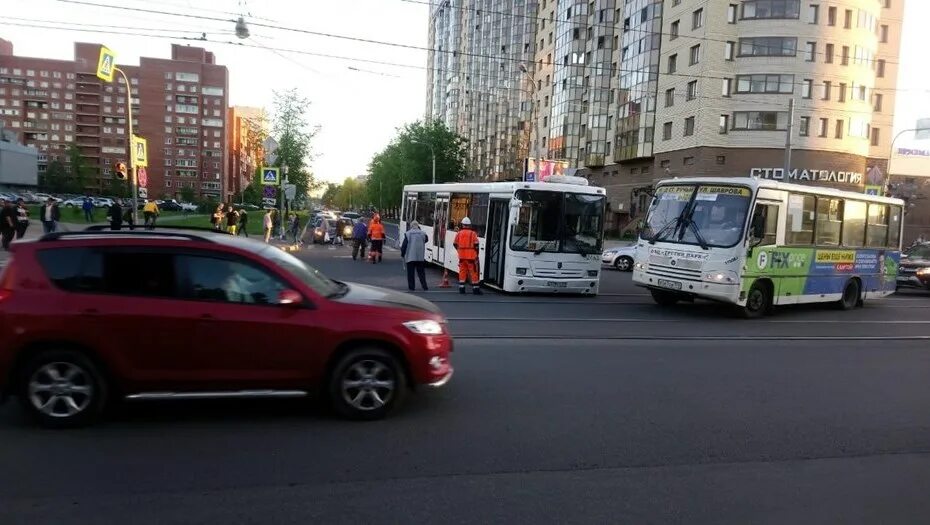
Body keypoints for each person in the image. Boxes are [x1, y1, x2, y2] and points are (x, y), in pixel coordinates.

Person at [453, 216, 482, 295]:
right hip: (471, 257)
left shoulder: (459, 233)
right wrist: (476, 254)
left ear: (462, 225)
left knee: (462, 272)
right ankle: (476, 289)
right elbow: (476, 245)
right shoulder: (473, 234)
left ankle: (462, 289)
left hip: (462, 257)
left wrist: (459, 251)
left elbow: (455, 244)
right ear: (469, 225)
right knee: (473, 272)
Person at [401, 220, 429, 291]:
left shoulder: (408, 233)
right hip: (420, 257)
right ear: (418, 226)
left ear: (411, 226)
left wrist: (402, 254)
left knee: (411, 273)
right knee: (421, 273)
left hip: (410, 256)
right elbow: (426, 240)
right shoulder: (423, 233)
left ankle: (412, 287)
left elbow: (404, 245)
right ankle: (424, 286)